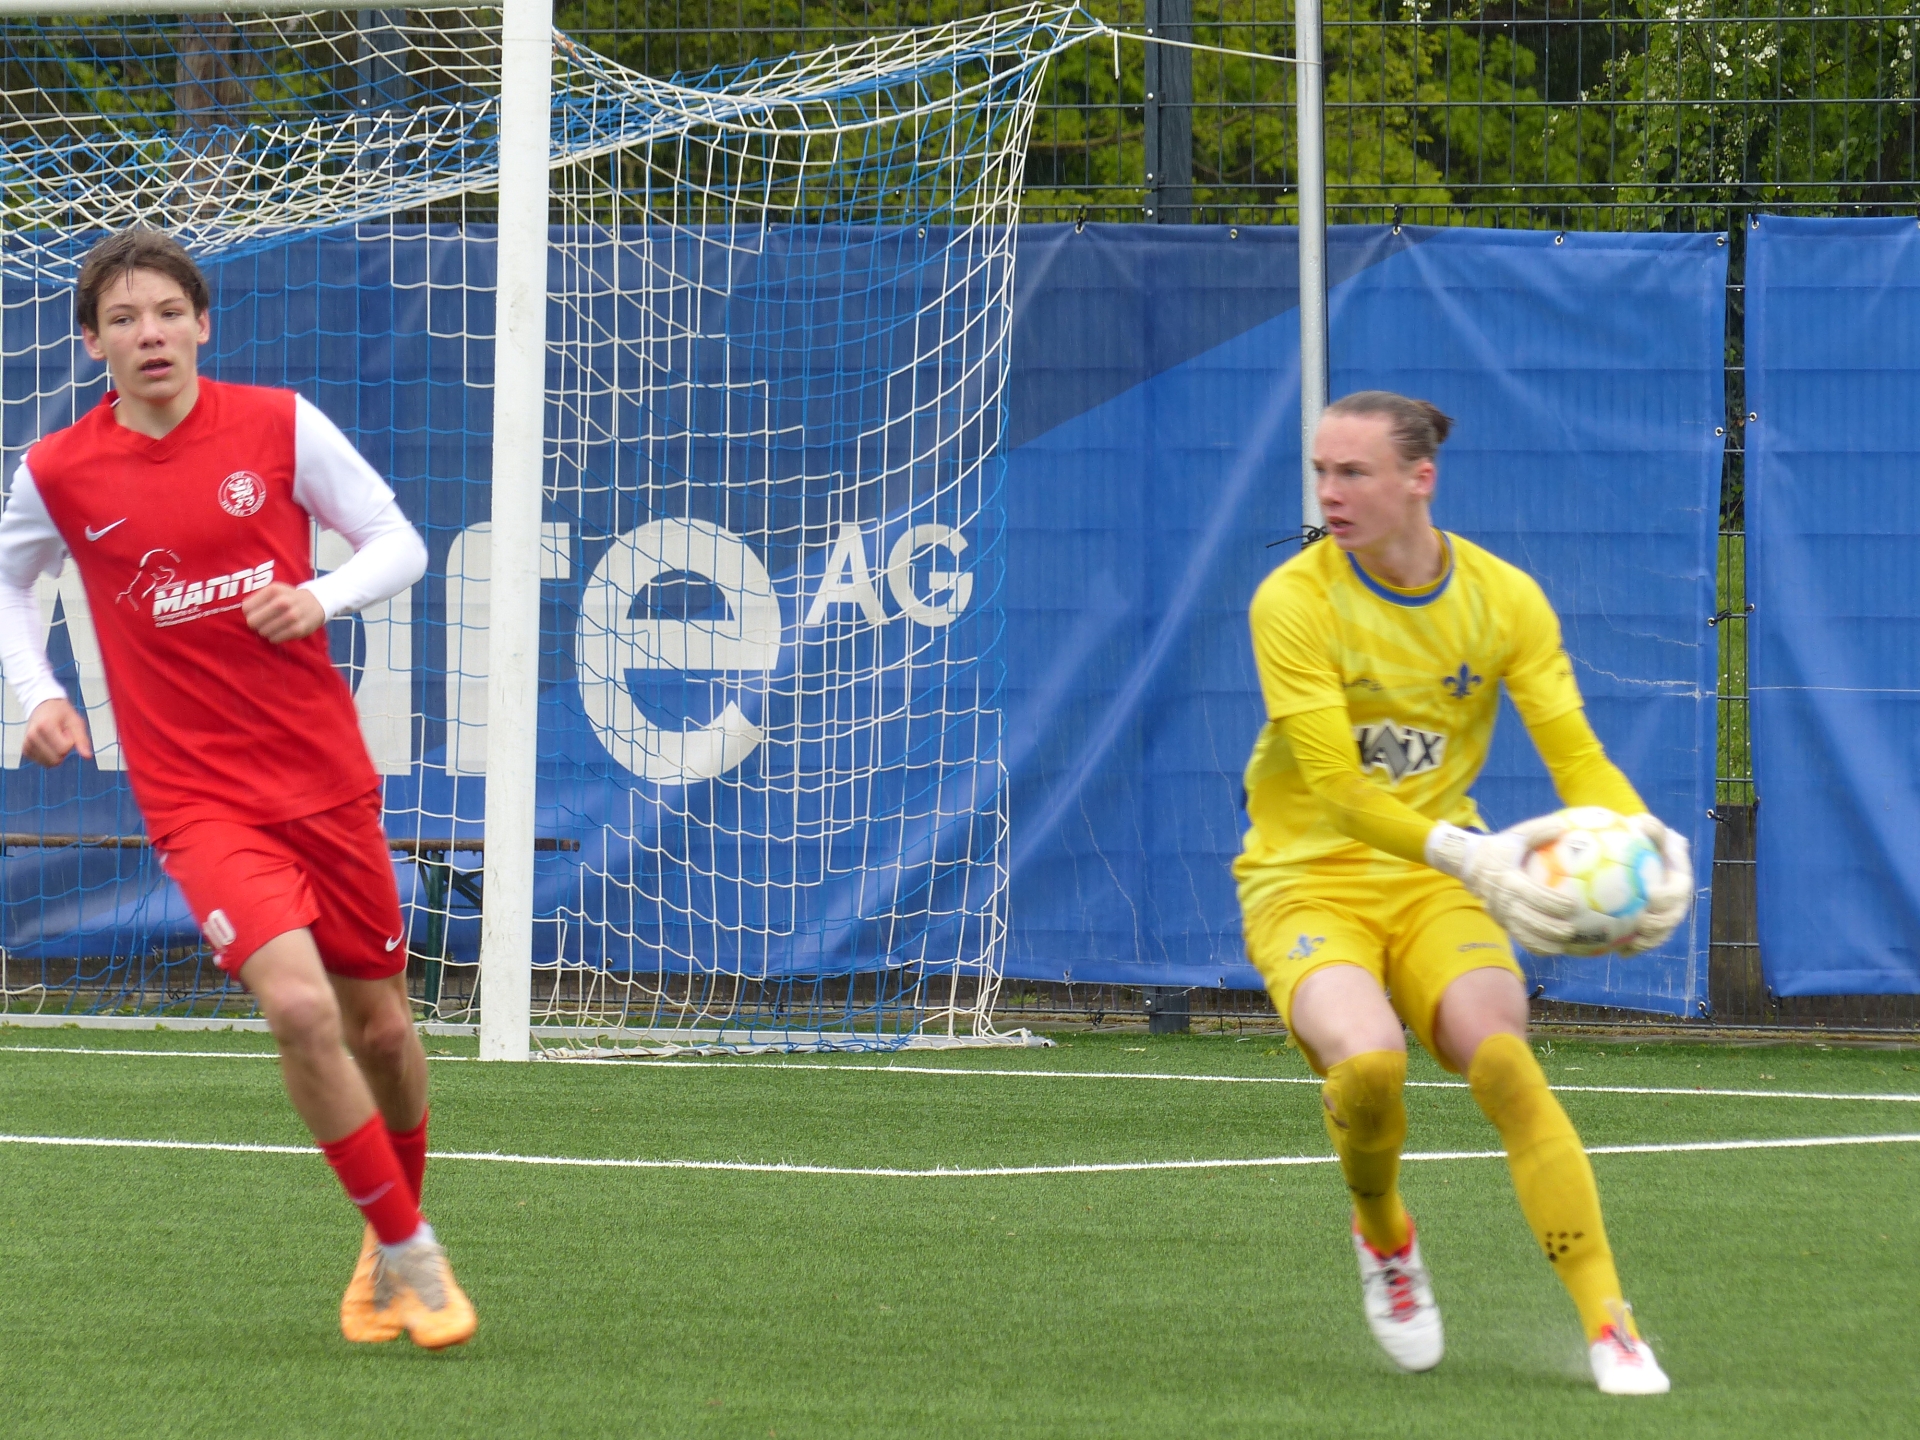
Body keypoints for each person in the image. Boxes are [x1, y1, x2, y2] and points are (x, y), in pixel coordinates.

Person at [0, 228, 474, 1350]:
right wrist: (36, 692)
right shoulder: (59, 471)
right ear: (92, 344)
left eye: (168, 312)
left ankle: (388, 1236)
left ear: (203, 324)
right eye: (124, 319)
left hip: (324, 780)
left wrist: (322, 596)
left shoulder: (279, 424)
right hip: (197, 801)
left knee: (383, 1030)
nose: (150, 334)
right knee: (300, 1010)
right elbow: (8, 583)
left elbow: (398, 541)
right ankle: (413, 1253)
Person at [1235, 390, 1691, 1395]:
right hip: (1306, 880)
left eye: (1353, 472)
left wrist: (1648, 841)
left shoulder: (1503, 599)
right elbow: (1340, 792)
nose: (1329, 492)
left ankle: (1611, 1326)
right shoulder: (1292, 601)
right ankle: (1384, 1233)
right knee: (1369, 1065)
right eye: (1320, 471)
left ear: (1420, 479)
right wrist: (1473, 856)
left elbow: (1578, 759)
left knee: (1505, 1063)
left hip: (1434, 883)